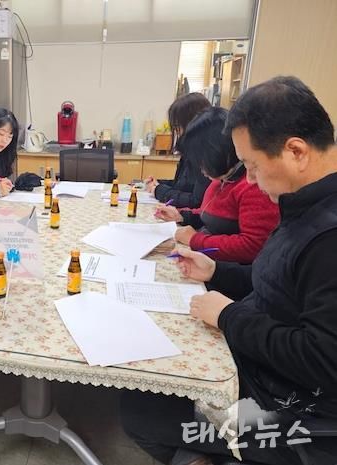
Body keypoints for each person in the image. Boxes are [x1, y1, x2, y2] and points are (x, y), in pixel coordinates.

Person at [121, 76, 337, 465]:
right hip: (258, 365)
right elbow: (275, 282)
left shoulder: (328, 236)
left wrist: (228, 316)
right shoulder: (302, 204)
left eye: (252, 166)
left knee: (143, 414)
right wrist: (216, 272)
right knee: (147, 381)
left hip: (295, 414)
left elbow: (322, 360)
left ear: (296, 151)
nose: (248, 179)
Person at [154, 107, 279, 264]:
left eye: (201, 162)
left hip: (227, 269)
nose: (200, 170)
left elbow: (252, 246)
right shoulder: (222, 179)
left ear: (217, 152)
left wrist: (195, 239)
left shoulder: (253, 185)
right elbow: (211, 214)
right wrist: (181, 215)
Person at [145, 92, 212, 208]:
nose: (178, 133)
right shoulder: (189, 150)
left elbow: (196, 201)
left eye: (178, 127)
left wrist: (159, 190)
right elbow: (181, 186)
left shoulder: (206, 156)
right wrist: (159, 183)